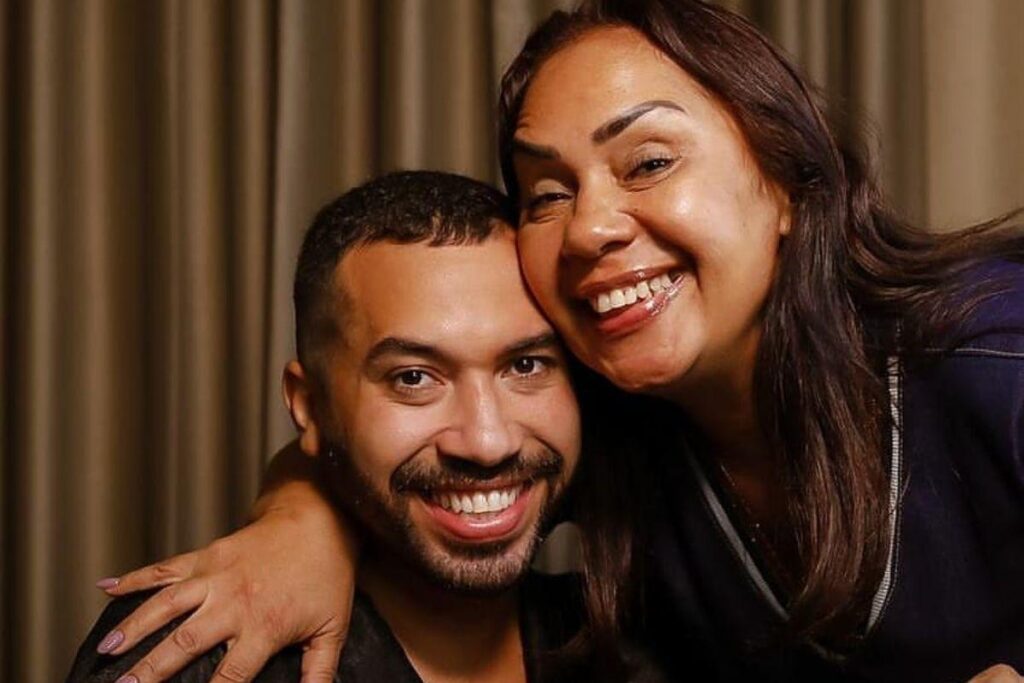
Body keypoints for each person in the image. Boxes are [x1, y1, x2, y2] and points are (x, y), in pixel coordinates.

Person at [88, 1, 1024, 681]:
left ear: (789, 183)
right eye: (547, 192)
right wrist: (298, 525)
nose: (589, 229)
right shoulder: (607, 427)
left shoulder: (994, 352)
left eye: (648, 162)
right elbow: (404, 454)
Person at [67, 171, 657, 682]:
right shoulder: (201, 645)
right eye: (414, 379)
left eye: (525, 365)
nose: (487, 441)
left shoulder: (644, 639)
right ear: (309, 406)